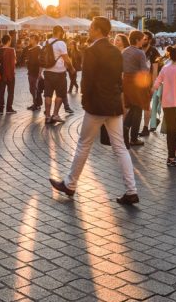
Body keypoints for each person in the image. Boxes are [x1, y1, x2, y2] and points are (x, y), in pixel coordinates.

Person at [49, 17, 139, 205]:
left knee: (84, 144)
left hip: (97, 105)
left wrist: (84, 99)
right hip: (113, 104)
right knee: (120, 147)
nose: (89, 30)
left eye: (91, 28)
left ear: (98, 30)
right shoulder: (116, 51)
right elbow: (118, 78)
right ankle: (132, 190)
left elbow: (87, 80)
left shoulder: (91, 51)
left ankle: (70, 184)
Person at [153, 45, 176, 167]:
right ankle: (172, 158)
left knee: (170, 130)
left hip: (166, 103)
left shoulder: (165, 68)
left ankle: (171, 157)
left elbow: (157, 82)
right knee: (175, 130)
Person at [122, 30, 150, 148]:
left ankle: (125, 133)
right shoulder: (140, 53)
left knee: (133, 108)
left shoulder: (124, 51)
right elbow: (144, 71)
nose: (143, 41)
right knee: (138, 109)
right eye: (142, 39)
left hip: (126, 81)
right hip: (136, 82)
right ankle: (133, 138)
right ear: (137, 40)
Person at [42, 26, 73, 125]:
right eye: (62, 32)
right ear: (59, 32)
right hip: (59, 73)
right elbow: (66, 59)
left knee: (48, 94)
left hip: (47, 72)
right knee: (60, 94)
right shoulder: (61, 43)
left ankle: (47, 116)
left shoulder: (45, 42)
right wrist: (71, 68)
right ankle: (55, 115)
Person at [0, 34, 16, 114]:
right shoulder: (12, 50)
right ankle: (9, 108)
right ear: (8, 41)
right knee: (10, 92)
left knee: (1, 91)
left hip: (2, 74)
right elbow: (14, 62)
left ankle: (1, 109)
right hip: (11, 74)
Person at [23, 34, 42, 111]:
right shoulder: (30, 49)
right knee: (31, 89)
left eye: (32, 38)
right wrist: (27, 61)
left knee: (36, 89)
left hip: (36, 71)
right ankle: (36, 103)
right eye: (30, 38)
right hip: (30, 71)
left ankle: (37, 104)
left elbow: (41, 61)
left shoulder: (39, 48)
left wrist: (40, 72)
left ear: (36, 40)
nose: (30, 40)